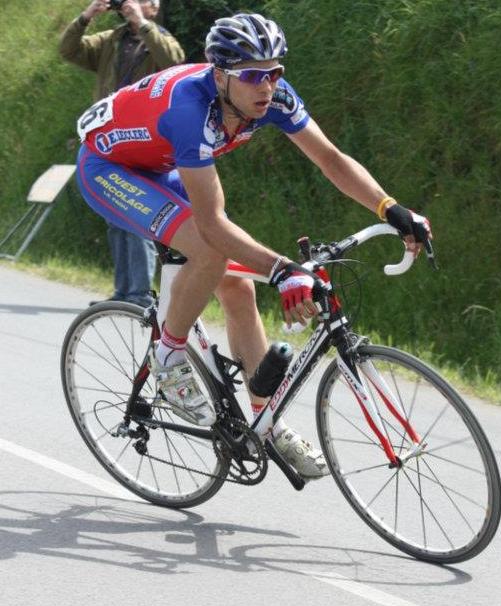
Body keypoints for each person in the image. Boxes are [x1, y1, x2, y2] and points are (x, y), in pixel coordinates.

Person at [74, 12, 432, 480]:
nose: (267, 85)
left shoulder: (273, 96)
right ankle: (168, 356)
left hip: (162, 165)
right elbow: (213, 225)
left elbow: (330, 158)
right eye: (254, 76)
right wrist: (283, 269)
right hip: (109, 169)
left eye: (275, 71)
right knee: (211, 250)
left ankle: (266, 424)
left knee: (239, 290)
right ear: (220, 74)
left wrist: (390, 208)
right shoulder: (190, 110)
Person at [60, 0, 185, 307]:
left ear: (155, 10)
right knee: (115, 216)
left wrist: (142, 23)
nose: (140, 4)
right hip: (110, 138)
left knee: (139, 213)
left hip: (143, 139)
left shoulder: (160, 38)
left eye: (149, 2)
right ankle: (123, 293)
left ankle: (140, 295)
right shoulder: (112, 41)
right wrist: (87, 16)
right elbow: (68, 50)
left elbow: (174, 62)